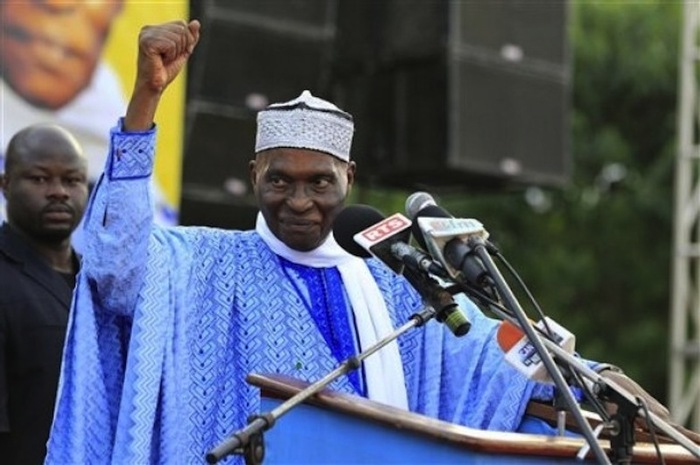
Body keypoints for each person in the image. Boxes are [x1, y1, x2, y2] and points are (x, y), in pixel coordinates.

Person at [45, 20, 698, 464]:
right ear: (253, 177)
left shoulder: (394, 274)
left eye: (319, 182)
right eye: (280, 180)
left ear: (349, 177)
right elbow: (115, 261)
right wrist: (146, 98)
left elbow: (492, 351)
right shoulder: (202, 261)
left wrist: (587, 378)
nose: (299, 199)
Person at [0, 0, 174, 226]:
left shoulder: (107, 106)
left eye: (72, 180)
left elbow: (137, 240)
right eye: (40, 178)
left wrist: (148, 92)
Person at [0, 124, 89, 465]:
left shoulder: (100, 288)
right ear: (6, 184)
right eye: (39, 179)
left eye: (72, 180)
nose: (58, 192)